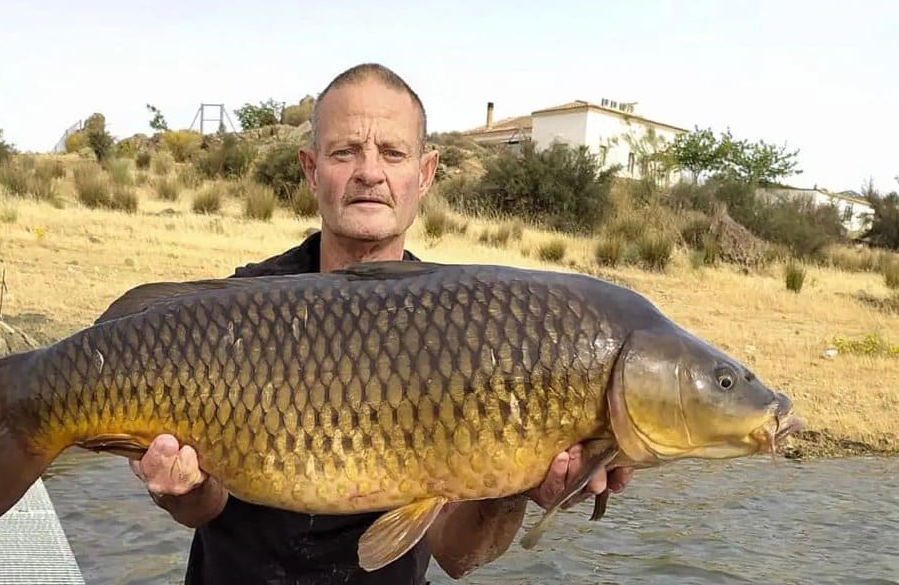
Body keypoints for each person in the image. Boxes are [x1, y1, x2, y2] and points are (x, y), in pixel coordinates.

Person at [128, 63, 635, 584]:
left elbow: (460, 556)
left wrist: (517, 481)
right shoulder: (238, 313)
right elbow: (200, 509)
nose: (369, 172)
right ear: (310, 168)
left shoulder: (471, 328)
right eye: (345, 152)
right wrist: (184, 488)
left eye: (392, 154)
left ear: (425, 173)